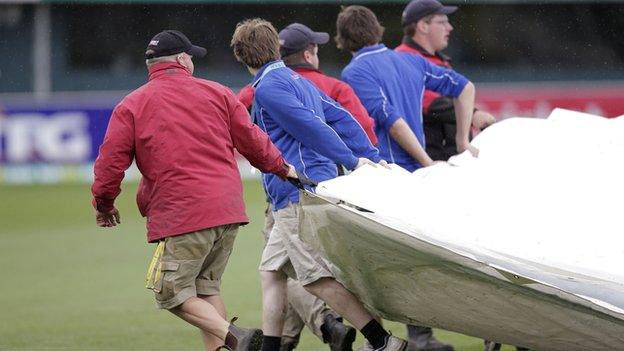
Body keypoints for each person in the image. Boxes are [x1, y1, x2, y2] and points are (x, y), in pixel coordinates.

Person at [91, 29, 297, 351]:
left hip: (184, 213)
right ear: (182, 60)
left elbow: (110, 164)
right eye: (191, 57)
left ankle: (236, 336)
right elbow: (252, 139)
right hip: (228, 210)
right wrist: (281, 167)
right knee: (206, 289)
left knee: (169, 291)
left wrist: (104, 205)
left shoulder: (131, 105)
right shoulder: (218, 93)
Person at [230, 18, 407, 351]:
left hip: (297, 193)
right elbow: (337, 115)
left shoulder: (266, 89)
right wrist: (369, 153)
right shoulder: (293, 78)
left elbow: (311, 127)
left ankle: (382, 341)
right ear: (274, 47)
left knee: (315, 279)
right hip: (300, 192)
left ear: (241, 56)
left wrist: (356, 161)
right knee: (271, 273)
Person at [337, 5, 479, 174]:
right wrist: (462, 141)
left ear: (343, 37)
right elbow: (465, 88)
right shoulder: (412, 60)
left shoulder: (354, 72)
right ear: (376, 29)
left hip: (389, 171)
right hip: (416, 169)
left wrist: (428, 162)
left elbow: (392, 121)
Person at [396, 0, 496, 161]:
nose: (449, 27)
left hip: (448, 158)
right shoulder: (402, 58)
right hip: (426, 162)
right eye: (442, 22)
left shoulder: (438, 60)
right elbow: (423, 101)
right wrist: (473, 114)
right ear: (423, 26)